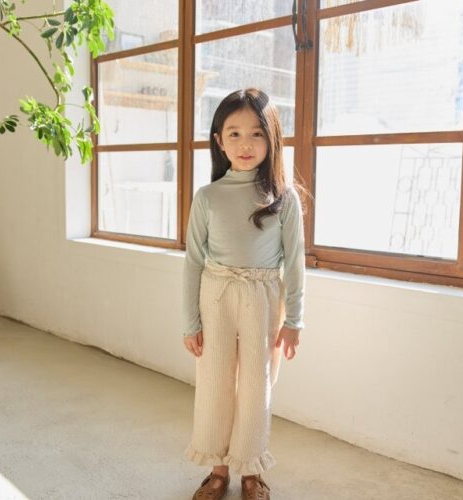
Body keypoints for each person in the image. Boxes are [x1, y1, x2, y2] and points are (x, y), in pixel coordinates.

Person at [182, 87, 307, 500]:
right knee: (215, 383)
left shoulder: (284, 199)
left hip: (263, 298)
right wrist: (190, 321)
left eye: (256, 133)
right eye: (234, 134)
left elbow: (295, 263)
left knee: (257, 386)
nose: (245, 144)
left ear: (272, 139)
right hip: (215, 297)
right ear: (219, 140)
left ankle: (251, 471)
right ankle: (218, 471)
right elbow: (193, 262)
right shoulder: (208, 197)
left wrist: (294, 320)